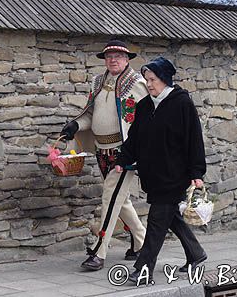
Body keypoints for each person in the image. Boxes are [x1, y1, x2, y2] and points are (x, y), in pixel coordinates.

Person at [115, 57, 207, 284]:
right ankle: (196, 254)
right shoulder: (145, 105)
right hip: (153, 174)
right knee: (170, 217)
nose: (149, 84)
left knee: (157, 222)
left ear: (165, 79)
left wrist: (197, 173)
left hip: (175, 174)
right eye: (147, 80)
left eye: (153, 80)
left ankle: (143, 269)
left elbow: (194, 140)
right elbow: (135, 138)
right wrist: (122, 158)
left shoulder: (181, 103)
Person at [60, 40, 147, 271]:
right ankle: (143, 242)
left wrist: (137, 150)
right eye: (109, 56)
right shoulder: (98, 82)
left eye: (118, 56)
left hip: (124, 152)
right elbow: (91, 115)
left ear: (127, 59)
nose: (113, 60)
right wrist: (76, 126)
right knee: (120, 198)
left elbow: (146, 121)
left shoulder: (138, 83)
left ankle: (100, 251)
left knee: (110, 196)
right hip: (102, 150)